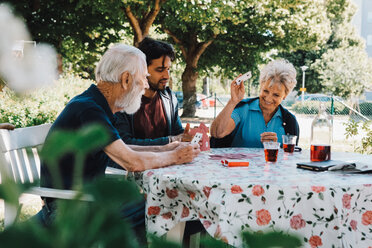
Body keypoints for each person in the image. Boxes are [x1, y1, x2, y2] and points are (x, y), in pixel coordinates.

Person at [35, 44, 200, 244]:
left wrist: (165, 148)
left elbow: (123, 149)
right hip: (68, 209)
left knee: (160, 202)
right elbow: (131, 162)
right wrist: (175, 156)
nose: (145, 86)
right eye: (142, 79)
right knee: (162, 205)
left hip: (82, 200)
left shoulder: (95, 104)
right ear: (126, 79)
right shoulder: (89, 109)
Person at [113, 37, 191, 146]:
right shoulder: (122, 100)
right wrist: (170, 141)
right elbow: (124, 143)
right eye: (160, 70)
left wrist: (189, 136)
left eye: (168, 69)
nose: (167, 76)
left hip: (169, 162)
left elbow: (177, 133)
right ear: (141, 68)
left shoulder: (169, 98)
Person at [210, 59, 299, 148]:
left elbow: (290, 157)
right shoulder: (244, 109)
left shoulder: (289, 121)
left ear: (285, 95)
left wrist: (275, 147)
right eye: (265, 91)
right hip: (239, 162)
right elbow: (217, 133)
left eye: (276, 95)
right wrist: (232, 102)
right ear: (261, 86)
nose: (268, 98)